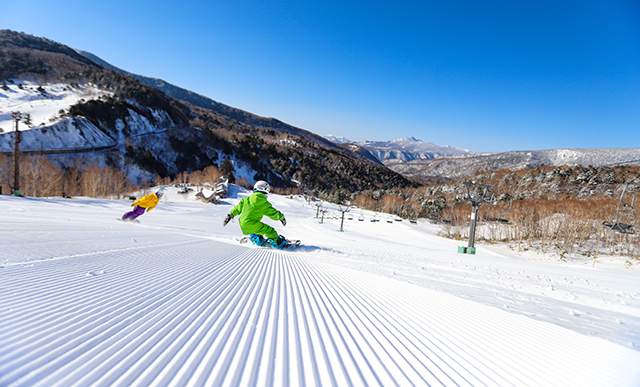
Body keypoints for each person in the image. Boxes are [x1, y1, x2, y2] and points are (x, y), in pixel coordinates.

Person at [223, 180, 288, 248]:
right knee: (269, 230)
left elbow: (237, 209)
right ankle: (277, 242)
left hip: (242, 224)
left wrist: (230, 215)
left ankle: (257, 239)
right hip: (252, 223)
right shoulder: (263, 202)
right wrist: (281, 217)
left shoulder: (246, 199)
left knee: (254, 228)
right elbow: (272, 212)